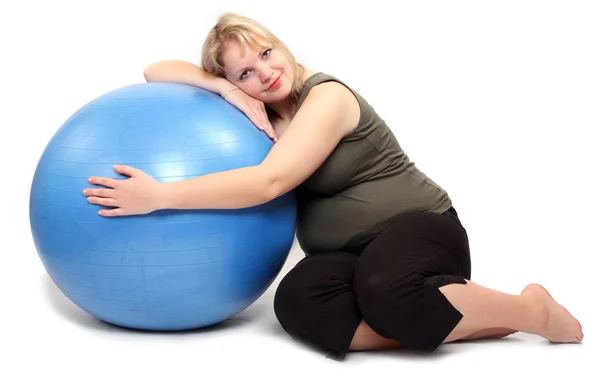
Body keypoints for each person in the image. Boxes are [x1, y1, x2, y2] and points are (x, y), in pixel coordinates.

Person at [82, 12, 584, 360]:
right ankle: (463, 322)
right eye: (247, 72)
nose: (266, 72)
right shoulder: (255, 116)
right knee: (298, 302)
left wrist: (160, 196)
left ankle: (527, 309)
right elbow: (154, 70)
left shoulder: (328, 97)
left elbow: (270, 181)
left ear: (282, 44)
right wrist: (219, 86)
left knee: (386, 290)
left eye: (266, 52)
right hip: (351, 257)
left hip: (421, 232)